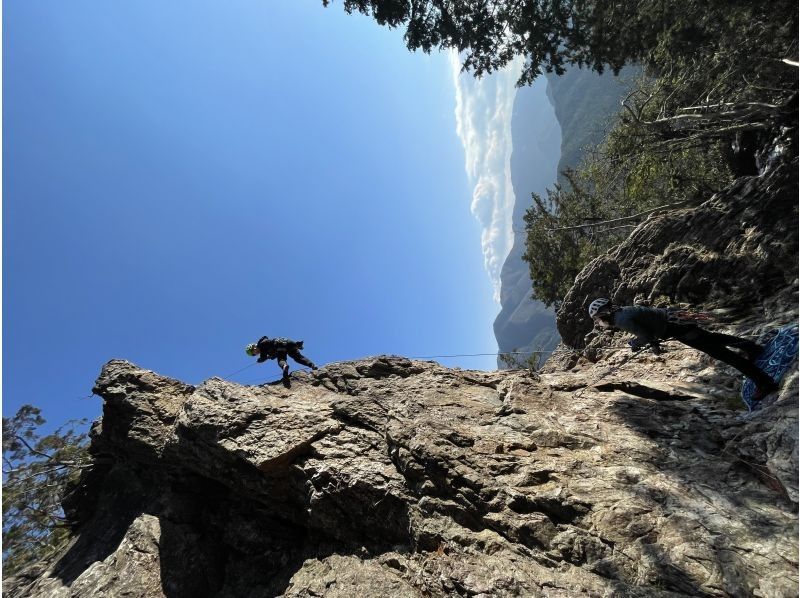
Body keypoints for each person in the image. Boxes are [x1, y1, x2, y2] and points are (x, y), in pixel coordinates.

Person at [587, 298, 779, 399]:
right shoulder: (624, 311)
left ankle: (764, 383)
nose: (599, 322)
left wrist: (635, 344)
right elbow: (648, 329)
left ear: (603, 313)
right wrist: (652, 344)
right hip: (677, 321)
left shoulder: (622, 320)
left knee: (722, 354)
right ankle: (751, 348)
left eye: (597, 318)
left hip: (679, 329)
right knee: (713, 338)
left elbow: (645, 335)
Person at [245, 336, 318, 380]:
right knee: (298, 357)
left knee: (281, 359)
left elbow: (263, 357)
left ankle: (284, 366)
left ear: (253, 347)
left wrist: (260, 360)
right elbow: (272, 353)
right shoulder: (265, 344)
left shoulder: (260, 345)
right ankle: (312, 365)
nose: (255, 354)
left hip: (279, 345)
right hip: (288, 342)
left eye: (253, 353)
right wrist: (270, 356)